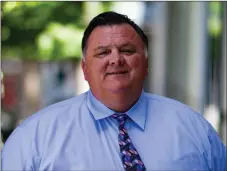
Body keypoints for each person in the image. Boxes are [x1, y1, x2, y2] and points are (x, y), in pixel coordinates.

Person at [1, 11, 226, 171]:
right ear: (84, 68)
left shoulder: (195, 130)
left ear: (146, 64)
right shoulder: (34, 138)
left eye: (127, 50)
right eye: (103, 53)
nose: (116, 60)